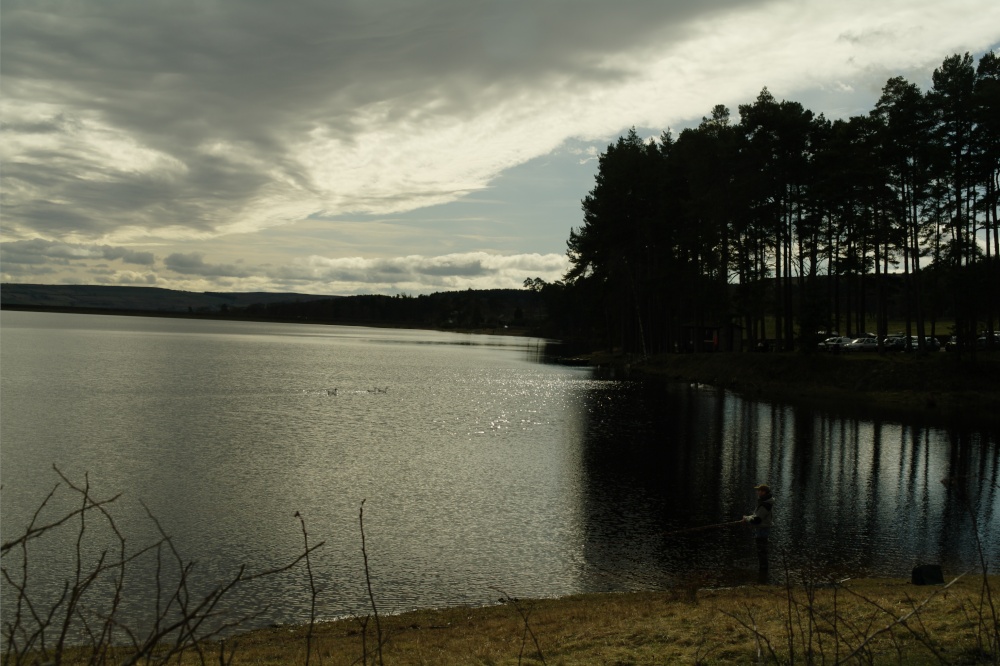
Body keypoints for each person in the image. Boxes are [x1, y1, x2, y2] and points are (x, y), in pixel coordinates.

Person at [742, 483, 774, 581]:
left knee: (761, 551)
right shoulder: (764, 502)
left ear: (764, 492)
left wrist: (746, 519)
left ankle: (763, 569)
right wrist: (747, 517)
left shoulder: (765, 505)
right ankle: (763, 575)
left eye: (760, 490)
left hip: (762, 530)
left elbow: (757, 520)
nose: (758, 492)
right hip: (762, 529)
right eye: (758, 490)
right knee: (762, 550)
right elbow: (756, 515)